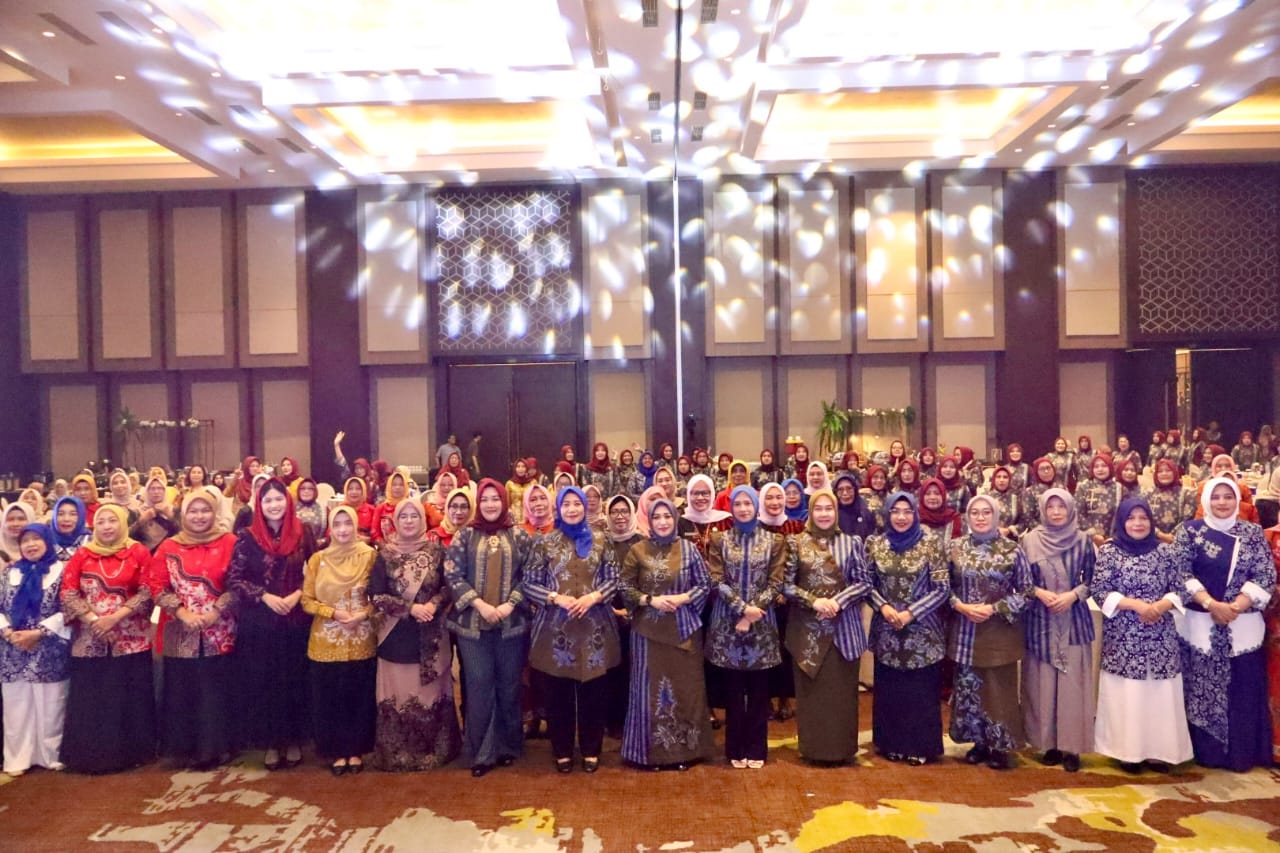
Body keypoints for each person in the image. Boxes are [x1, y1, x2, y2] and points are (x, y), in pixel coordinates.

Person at [1171, 477, 1275, 771]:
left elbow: (1265, 574)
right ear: (1205, 500)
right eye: (1215, 497)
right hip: (1199, 627)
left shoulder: (1252, 533)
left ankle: (1241, 755)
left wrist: (1236, 606)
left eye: (1228, 496)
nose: (1221, 502)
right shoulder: (1190, 531)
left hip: (1243, 628)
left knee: (1241, 691)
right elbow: (1179, 572)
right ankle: (1207, 753)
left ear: (1237, 500)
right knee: (1200, 689)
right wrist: (1210, 604)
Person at [522, 487, 621, 773]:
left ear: (585, 506)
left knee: (594, 692)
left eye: (577, 503)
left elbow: (614, 579)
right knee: (558, 693)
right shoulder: (545, 542)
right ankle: (562, 750)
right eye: (566, 504)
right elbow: (529, 583)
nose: (572, 509)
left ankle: (591, 749)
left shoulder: (602, 540)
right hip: (556, 629)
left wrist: (594, 597)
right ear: (559, 508)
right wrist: (556, 598)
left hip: (595, 627)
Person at [1092, 497, 1193, 772]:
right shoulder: (1110, 551)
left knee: (1160, 693)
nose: (1138, 523)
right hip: (1124, 635)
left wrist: (1160, 606)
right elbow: (1100, 590)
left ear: (1151, 521)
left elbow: (1182, 589)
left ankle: (1160, 752)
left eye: (1143, 518)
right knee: (1129, 694)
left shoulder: (1165, 551)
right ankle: (1128, 752)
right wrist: (1136, 605)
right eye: (1131, 518)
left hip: (1160, 633)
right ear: (1122, 522)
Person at [444, 479, 533, 777]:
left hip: (511, 624)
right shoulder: (465, 536)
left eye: (496, 499)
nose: (491, 504)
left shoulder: (519, 536)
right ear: (478, 503)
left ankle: (508, 746)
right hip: (473, 627)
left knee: (509, 686)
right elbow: (453, 575)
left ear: (504, 502)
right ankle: (481, 752)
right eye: (485, 499)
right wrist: (480, 604)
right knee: (479, 686)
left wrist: (510, 604)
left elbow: (530, 575)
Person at [225, 479, 316, 771]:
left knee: (294, 679)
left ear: (287, 501)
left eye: (279, 499)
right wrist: (265, 597)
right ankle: (271, 743)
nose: (274, 505)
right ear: (259, 505)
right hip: (260, 620)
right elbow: (234, 579)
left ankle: (294, 739)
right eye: (267, 500)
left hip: (295, 618)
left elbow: (316, 570)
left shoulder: (303, 532)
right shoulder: (247, 536)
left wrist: (298, 595)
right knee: (266, 681)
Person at [619, 498, 714, 770]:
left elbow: (705, 584)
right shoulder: (637, 550)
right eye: (657, 517)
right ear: (649, 520)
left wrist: (684, 597)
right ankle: (650, 756)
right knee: (649, 692)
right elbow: (624, 587)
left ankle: (686, 753)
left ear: (675, 519)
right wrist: (651, 600)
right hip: (648, 635)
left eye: (667, 516)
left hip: (684, 631)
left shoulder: (688, 549)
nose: (662, 522)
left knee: (687, 690)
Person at [59, 504, 156, 774]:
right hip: (90, 637)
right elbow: (68, 592)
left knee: (128, 695)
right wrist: (94, 621)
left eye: (112, 520)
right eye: (101, 521)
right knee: (93, 697)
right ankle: (90, 756)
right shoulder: (83, 554)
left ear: (123, 523)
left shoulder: (138, 552)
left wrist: (115, 618)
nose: (107, 526)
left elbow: (148, 590)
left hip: (130, 636)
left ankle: (131, 754)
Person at [368, 499, 461, 771]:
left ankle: (436, 751)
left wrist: (433, 604)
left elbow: (449, 587)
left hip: (431, 635)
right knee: (399, 693)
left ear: (423, 520)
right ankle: (397, 754)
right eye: (403, 516)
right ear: (395, 521)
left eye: (414, 516)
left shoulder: (437, 552)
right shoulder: (385, 554)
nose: (409, 521)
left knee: (430, 693)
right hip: (395, 635)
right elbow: (376, 595)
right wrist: (410, 608)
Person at [149, 491, 239, 770]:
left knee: (216, 689)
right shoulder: (169, 546)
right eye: (193, 511)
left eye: (205, 510)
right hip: (180, 630)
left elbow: (239, 583)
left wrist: (216, 611)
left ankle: (218, 748)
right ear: (183, 515)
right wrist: (182, 612)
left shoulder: (230, 542)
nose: (199, 516)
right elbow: (156, 585)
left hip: (220, 628)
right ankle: (184, 749)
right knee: (183, 689)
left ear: (215, 512)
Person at [782, 489, 871, 765]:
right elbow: (786, 585)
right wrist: (814, 601)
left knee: (841, 695)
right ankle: (814, 750)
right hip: (808, 633)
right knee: (813, 696)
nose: (823, 514)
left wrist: (837, 601)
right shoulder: (796, 543)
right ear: (810, 512)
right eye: (818, 509)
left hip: (844, 632)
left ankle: (842, 750)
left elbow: (864, 582)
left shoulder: (851, 543)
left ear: (836, 512)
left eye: (828, 508)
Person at [947, 494, 1032, 770]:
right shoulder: (955, 547)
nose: (980, 517)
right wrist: (960, 606)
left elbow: (1027, 592)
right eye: (975, 513)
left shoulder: (1012, 549)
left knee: (998, 690)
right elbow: (942, 587)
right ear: (967, 517)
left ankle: (1000, 746)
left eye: (986, 512)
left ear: (996, 516)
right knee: (969, 687)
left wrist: (995, 608)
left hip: (999, 630)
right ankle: (978, 742)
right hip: (965, 629)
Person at [866, 492, 950, 766]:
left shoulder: (931, 544)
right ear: (888, 514)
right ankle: (891, 743)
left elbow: (942, 589)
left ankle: (919, 746)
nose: (901, 517)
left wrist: (911, 613)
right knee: (891, 690)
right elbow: (866, 584)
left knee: (919, 692)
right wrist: (883, 607)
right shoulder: (877, 544)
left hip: (922, 633)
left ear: (915, 514)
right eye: (895, 511)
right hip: (887, 630)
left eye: (907, 511)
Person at [705, 486, 786, 769]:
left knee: (759, 692)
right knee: (734, 692)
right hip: (728, 625)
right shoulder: (720, 539)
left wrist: (752, 614)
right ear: (731, 507)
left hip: (762, 624)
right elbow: (716, 580)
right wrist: (742, 609)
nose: (742, 508)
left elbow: (777, 582)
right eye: (737, 504)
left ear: (755, 506)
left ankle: (757, 749)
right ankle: (735, 749)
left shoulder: (774, 541)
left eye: (747, 503)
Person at [1019, 489, 1096, 773]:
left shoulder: (1083, 540)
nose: (1055, 512)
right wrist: (1038, 592)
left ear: (1070, 509)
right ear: (1042, 510)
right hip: (1040, 621)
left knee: (1072, 686)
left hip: (1073, 621)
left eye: (1060, 506)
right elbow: (1020, 580)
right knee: (1042, 685)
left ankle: (1072, 747)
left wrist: (1073, 595)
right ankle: (1047, 744)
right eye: (1050, 507)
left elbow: (1095, 579)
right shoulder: (1029, 540)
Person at [302, 505, 377, 776]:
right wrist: (332, 612)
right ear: (330, 528)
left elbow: (380, 595)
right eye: (337, 524)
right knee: (329, 698)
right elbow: (306, 600)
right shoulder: (318, 559)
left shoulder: (369, 556)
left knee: (359, 696)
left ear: (356, 526)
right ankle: (335, 751)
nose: (343, 529)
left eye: (348, 523)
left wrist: (362, 615)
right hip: (326, 640)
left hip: (361, 638)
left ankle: (356, 750)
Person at [0, 523, 70, 777]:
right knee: (16, 706)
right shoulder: (10, 573)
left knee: (51, 704)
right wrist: (8, 632)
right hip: (13, 647)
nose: (30, 545)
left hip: (49, 647)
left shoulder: (62, 570)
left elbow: (68, 608)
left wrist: (38, 633)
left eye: (36, 539)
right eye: (25, 541)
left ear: (47, 541)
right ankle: (17, 758)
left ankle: (50, 755)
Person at [1075, 455, 1121, 546]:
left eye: (1104, 466)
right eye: (1096, 466)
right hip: (1087, 539)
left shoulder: (1119, 488)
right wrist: (1093, 535)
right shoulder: (1084, 487)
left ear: (1110, 467)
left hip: (1113, 540)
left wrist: (1113, 537)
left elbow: (1123, 515)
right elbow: (1077, 513)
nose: (1100, 469)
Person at [130, 474, 178, 551]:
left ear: (164, 491)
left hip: (170, 551)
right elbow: (129, 536)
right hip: (145, 552)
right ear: (147, 491)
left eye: (159, 488)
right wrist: (142, 520)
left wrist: (171, 516)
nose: (156, 492)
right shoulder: (138, 511)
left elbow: (183, 532)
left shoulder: (173, 510)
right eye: (152, 489)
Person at [832, 472, 875, 539]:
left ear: (855, 490)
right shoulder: (832, 515)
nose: (845, 493)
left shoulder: (866, 511)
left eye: (849, 488)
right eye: (840, 490)